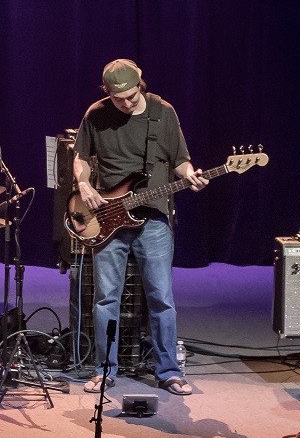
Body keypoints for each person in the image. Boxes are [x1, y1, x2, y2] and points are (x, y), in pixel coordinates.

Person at [72, 59, 206, 396]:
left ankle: (169, 372)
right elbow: (81, 158)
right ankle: (105, 370)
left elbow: (180, 159)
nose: (126, 104)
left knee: (161, 297)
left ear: (140, 84)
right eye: (119, 99)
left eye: (131, 96)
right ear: (107, 93)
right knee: (106, 300)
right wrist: (85, 185)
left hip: (154, 220)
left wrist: (188, 174)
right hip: (107, 218)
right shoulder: (96, 115)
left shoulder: (163, 113)